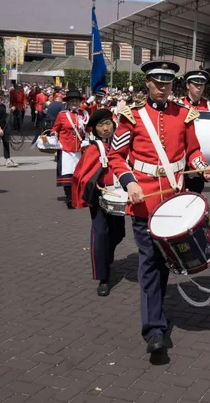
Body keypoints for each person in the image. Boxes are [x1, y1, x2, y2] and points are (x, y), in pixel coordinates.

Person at [107, 61, 210, 355]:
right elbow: (116, 157)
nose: (162, 88)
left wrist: (202, 167)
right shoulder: (130, 117)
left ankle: (155, 312)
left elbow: (193, 152)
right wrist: (129, 182)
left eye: (167, 83)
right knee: (149, 263)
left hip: (174, 201)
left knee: (165, 261)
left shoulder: (184, 115)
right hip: (143, 200)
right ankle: (154, 328)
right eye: (157, 83)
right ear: (147, 83)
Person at [72, 109, 124, 297]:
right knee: (100, 234)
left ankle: (105, 258)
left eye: (108, 124)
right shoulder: (94, 148)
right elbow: (82, 174)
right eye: (101, 126)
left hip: (120, 197)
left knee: (119, 233)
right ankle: (103, 277)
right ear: (95, 129)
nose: (105, 128)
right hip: (101, 198)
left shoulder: (121, 145)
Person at [180, 70, 210, 194]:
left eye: (201, 84)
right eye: (195, 84)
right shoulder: (178, 105)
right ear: (188, 85)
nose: (199, 87)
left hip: (202, 158)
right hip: (182, 160)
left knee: (196, 194)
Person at [51, 89, 89, 205]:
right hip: (66, 149)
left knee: (79, 174)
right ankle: (69, 198)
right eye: (72, 101)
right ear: (67, 102)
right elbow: (55, 129)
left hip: (79, 149)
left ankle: (78, 195)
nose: (74, 103)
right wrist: (53, 136)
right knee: (67, 174)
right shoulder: (62, 115)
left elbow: (89, 129)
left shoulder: (84, 114)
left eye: (76, 101)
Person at [0, 90, 18, 168]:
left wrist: (11, 110)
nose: (5, 96)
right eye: (3, 95)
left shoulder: (3, 106)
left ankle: (8, 159)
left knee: (6, 142)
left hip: (4, 127)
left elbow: (4, 116)